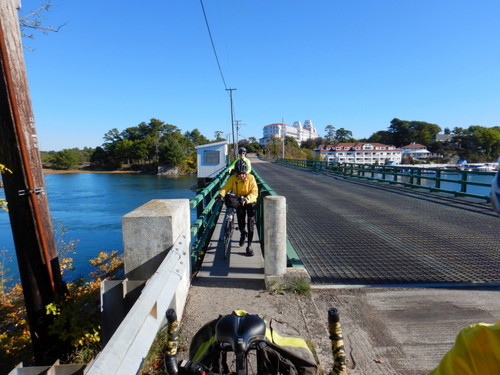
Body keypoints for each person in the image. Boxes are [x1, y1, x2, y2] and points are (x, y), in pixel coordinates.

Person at [217, 159, 258, 256]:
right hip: (239, 200)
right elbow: (226, 187)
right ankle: (243, 233)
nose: (241, 176)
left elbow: (255, 192)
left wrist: (247, 199)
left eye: (243, 173)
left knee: (251, 225)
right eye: (239, 174)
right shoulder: (233, 178)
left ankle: (249, 247)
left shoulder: (251, 178)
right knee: (241, 223)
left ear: (246, 172)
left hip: (250, 201)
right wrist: (220, 195)